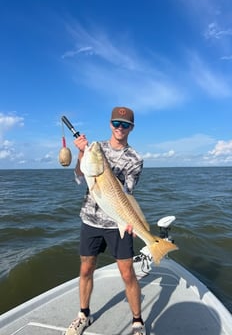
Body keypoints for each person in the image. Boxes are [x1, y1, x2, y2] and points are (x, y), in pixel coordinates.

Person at [65, 107, 146, 335]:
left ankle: (137, 322)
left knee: (128, 273)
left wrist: (130, 220)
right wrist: (81, 154)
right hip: (90, 220)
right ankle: (83, 315)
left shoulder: (135, 159)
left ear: (131, 128)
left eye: (125, 124)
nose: (120, 128)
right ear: (110, 124)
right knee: (86, 268)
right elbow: (80, 178)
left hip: (117, 222)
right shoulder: (95, 148)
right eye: (116, 123)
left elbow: (127, 193)